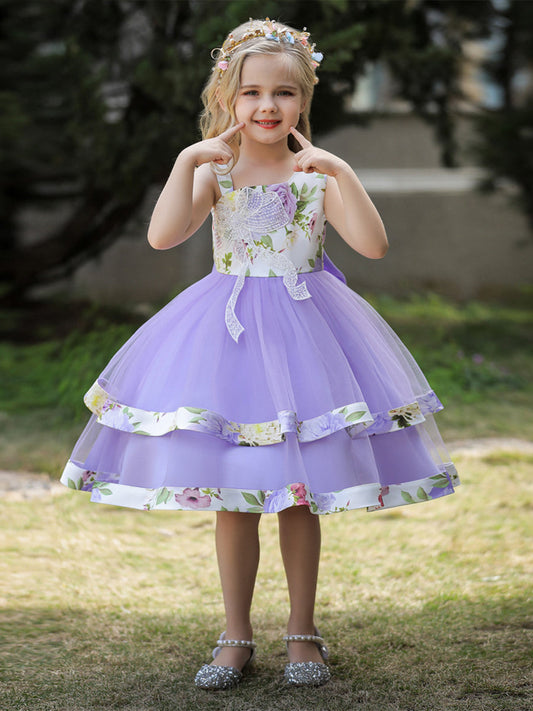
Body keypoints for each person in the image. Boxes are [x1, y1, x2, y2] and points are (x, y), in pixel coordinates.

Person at [61, 18, 460, 691]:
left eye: (283, 93)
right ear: (229, 97)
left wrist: (340, 170)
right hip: (230, 345)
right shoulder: (216, 170)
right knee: (235, 494)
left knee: (299, 494)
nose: (267, 106)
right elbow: (163, 236)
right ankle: (235, 634)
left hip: (307, 340)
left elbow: (372, 245)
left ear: (303, 99)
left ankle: (302, 630)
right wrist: (186, 161)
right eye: (251, 93)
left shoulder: (315, 173)